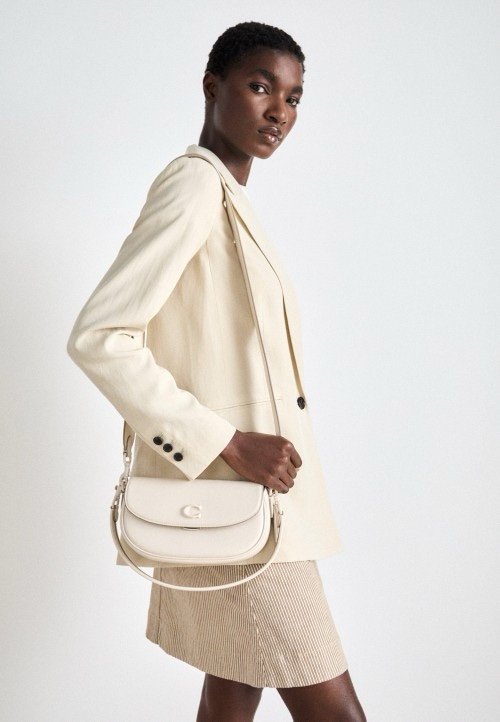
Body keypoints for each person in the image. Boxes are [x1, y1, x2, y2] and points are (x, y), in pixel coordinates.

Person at [66, 20, 367, 722]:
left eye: (293, 97)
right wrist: (226, 442)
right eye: (261, 87)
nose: (279, 112)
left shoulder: (229, 198)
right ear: (213, 87)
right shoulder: (194, 187)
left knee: (231, 698)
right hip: (235, 503)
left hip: (248, 511)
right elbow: (100, 337)